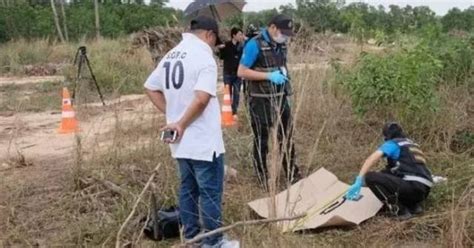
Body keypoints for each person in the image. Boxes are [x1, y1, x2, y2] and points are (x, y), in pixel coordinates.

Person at [144, 16, 238, 248]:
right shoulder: (203, 57)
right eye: (214, 41)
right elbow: (203, 98)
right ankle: (213, 242)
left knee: (188, 189)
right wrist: (182, 123)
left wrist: (173, 117)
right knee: (209, 192)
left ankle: (191, 237)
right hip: (202, 140)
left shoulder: (171, 54)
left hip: (180, 143)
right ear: (209, 35)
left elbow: (150, 87)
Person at [237, 14, 301, 191]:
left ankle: (291, 172)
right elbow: (241, 72)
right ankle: (261, 175)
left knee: (287, 136)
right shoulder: (254, 45)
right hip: (259, 101)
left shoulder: (281, 45)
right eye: (283, 32)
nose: (285, 36)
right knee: (262, 139)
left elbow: (282, 66)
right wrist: (268, 76)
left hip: (280, 98)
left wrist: (285, 82)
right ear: (272, 28)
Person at [346, 122, 433, 220]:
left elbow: (371, 159)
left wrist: (360, 179)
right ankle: (413, 207)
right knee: (385, 173)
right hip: (424, 190)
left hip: (412, 186)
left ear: (387, 136)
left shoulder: (393, 144)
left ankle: (399, 211)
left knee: (371, 177)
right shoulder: (412, 144)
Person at [218, 27, 245, 119]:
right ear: (234, 35)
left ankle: (234, 111)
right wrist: (221, 49)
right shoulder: (226, 45)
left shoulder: (241, 46)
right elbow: (221, 57)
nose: (241, 36)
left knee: (237, 93)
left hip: (237, 73)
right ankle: (228, 111)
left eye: (241, 34)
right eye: (239, 34)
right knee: (228, 94)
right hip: (228, 73)